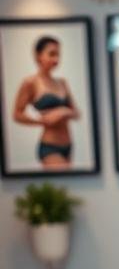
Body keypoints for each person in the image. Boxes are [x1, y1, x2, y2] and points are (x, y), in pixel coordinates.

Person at [12, 36, 80, 169]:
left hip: (68, 144)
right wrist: (41, 121)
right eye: (52, 54)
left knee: (68, 181)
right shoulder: (30, 83)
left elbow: (76, 113)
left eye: (58, 55)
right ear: (38, 55)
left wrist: (63, 111)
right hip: (50, 146)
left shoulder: (62, 83)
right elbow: (17, 114)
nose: (56, 59)